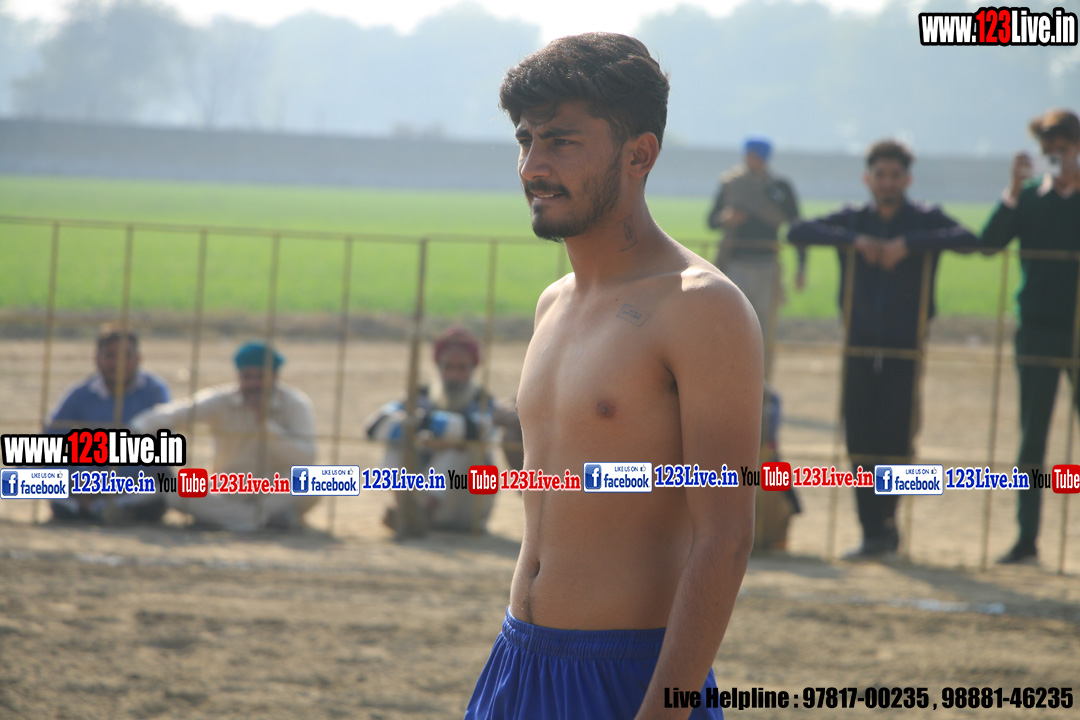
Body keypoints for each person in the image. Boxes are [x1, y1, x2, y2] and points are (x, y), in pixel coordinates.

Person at [465, 33, 761, 720]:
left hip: (629, 679)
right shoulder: (553, 304)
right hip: (516, 662)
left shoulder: (701, 307)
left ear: (639, 154)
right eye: (525, 139)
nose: (533, 166)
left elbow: (726, 540)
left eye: (561, 141)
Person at [788, 139, 978, 559]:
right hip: (857, 342)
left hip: (905, 345)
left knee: (897, 436)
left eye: (895, 176)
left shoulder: (924, 218)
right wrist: (855, 241)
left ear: (907, 179)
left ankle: (888, 523)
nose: (887, 182)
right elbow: (796, 231)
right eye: (880, 175)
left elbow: (971, 239)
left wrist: (909, 245)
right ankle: (871, 530)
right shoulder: (853, 218)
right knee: (859, 435)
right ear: (868, 179)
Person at [980, 108, 1080, 565]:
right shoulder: (1031, 201)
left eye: (1064, 149)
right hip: (1037, 330)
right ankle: (1026, 539)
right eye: (1049, 151)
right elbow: (989, 244)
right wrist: (1013, 191)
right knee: (1032, 440)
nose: (1057, 157)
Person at [131, 341, 318, 531]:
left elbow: (306, 458)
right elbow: (177, 413)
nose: (254, 384)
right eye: (248, 377)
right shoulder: (222, 400)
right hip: (228, 487)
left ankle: (240, 518)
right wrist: (135, 428)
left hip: (276, 490)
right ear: (238, 376)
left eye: (261, 377)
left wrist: (265, 425)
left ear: (276, 377)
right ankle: (258, 520)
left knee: (320, 480)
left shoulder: (295, 404)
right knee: (174, 490)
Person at [364, 326, 521, 534]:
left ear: (473, 369)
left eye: (462, 368)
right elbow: (375, 426)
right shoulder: (421, 396)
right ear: (438, 366)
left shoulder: (483, 401)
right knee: (397, 441)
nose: (454, 375)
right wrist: (423, 436)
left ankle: (424, 516)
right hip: (422, 489)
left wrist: (426, 428)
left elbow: (474, 430)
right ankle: (407, 513)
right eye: (448, 366)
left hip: (466, 504)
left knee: (459, 445)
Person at [46, 325, 170, 524]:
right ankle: (89, 507)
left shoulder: (153, 391)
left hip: (133, 479)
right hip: (86, 477)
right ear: (97, 359)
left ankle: (98, 509)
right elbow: (51, 437)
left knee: (164, 482)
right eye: (110, 356)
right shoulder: (81, 393)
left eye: (126, 356)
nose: (118, 363)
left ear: (138, 359)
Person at [707, 136, 803, 380]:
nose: (752, 160)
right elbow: (711, 221)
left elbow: (798, 227)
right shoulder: (732, 183)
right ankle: (728, 380)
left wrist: (801, 266)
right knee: (732, 326)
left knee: (764, 330)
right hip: (735, 265)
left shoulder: (780, 187)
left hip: (767, 267)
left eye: (757, 156)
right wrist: (726, 218)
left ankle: (762, 384)